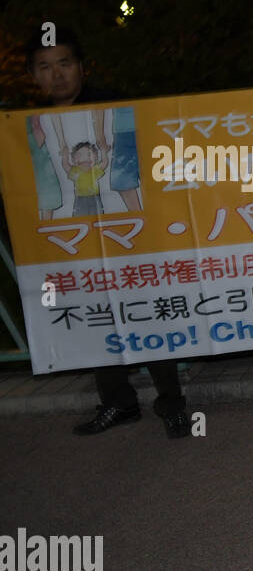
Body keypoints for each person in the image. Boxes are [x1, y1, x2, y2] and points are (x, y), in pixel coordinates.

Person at [25, 27, 191, 438]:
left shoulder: (117, 107)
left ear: (81, 68)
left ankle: (172, 405)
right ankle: (119, 403)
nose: (57, 75)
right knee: (97, 317)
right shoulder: (24, 125)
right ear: (33, 77)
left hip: (129, 234)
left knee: (147, 312)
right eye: (45, 67)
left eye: (64, 63)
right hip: (73, 240)